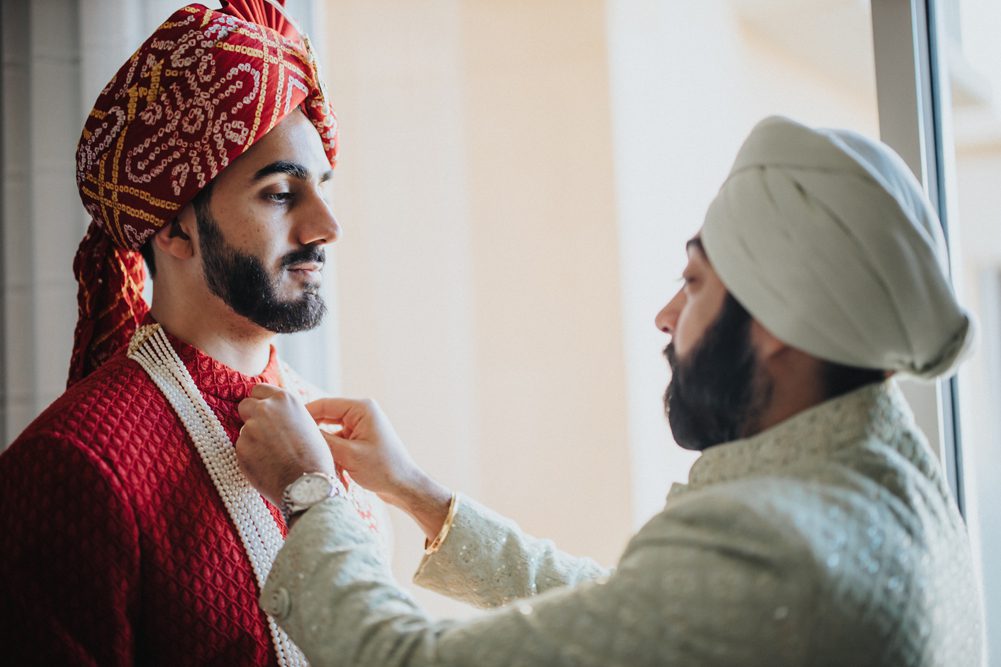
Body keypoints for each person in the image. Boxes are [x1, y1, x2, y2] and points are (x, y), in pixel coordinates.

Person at [234, 116, 986, 666]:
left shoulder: (778, 548)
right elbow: (641, 615)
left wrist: (312, 497)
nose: (665, 315)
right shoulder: (893, 486)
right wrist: (421, 495)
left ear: (779, 321)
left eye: (693, 282)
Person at [0, 2, 384, 665]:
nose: (326, 227)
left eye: (320, 187)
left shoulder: (332, 439)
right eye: (279, 193)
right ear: (175, 228)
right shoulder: (75, 463)